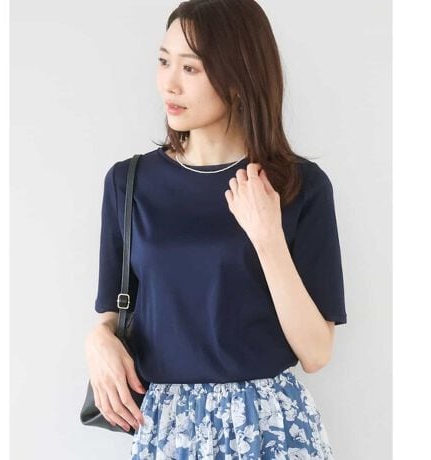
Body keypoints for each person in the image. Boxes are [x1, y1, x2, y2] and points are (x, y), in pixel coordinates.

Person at [84, 1, 348, 458]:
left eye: (191, 68)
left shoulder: (298, 187)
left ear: (239, 76)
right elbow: (112, 312)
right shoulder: (128, 184)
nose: (169, 83)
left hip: (268, 427)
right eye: (164, 61)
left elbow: (316, 352)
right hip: (168, 428)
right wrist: (96, 342)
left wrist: (267, 238)